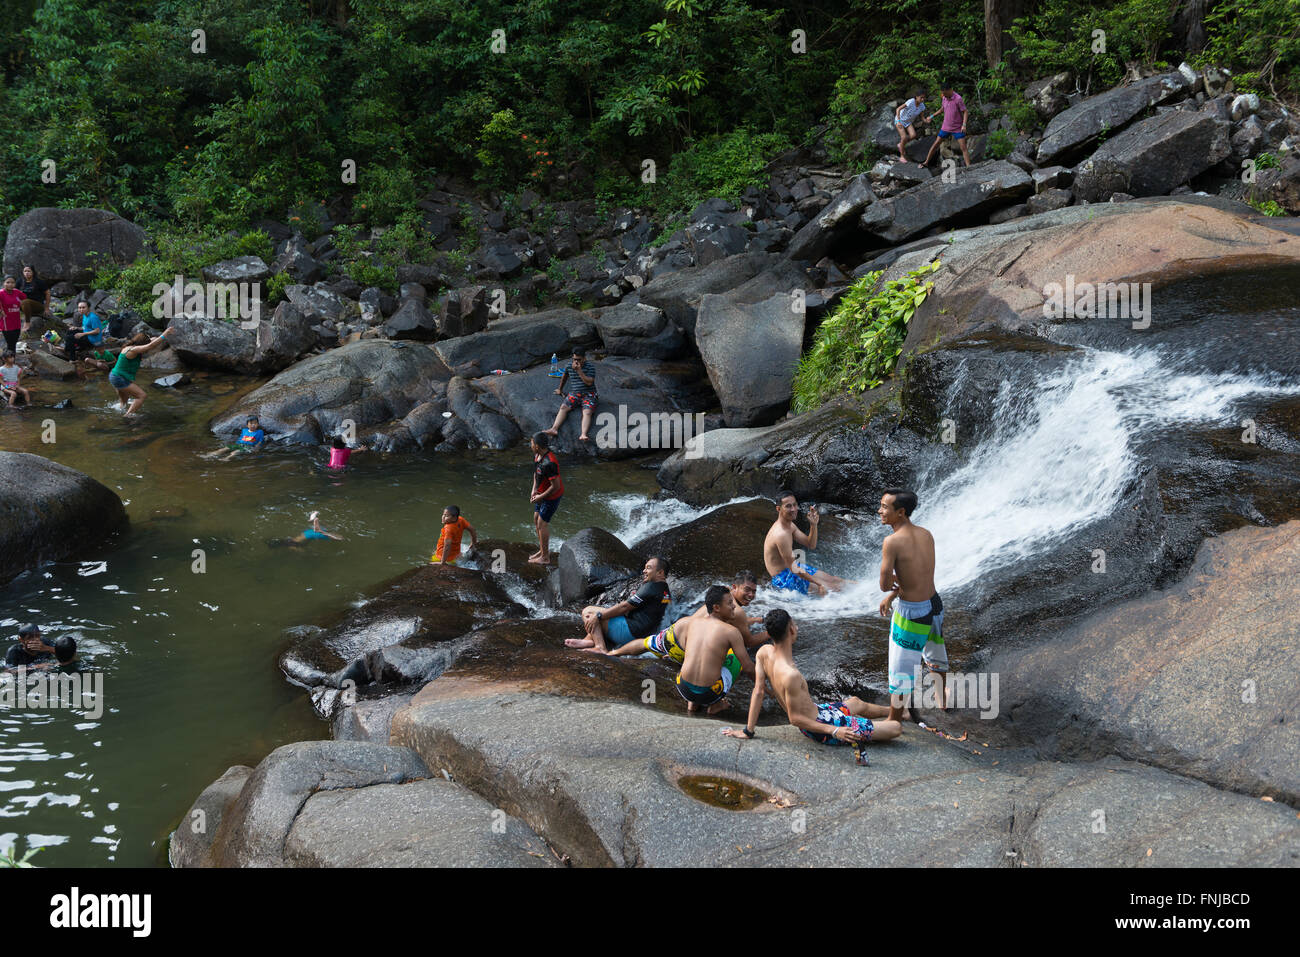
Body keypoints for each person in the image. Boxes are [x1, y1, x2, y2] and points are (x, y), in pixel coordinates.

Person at [723, 609, 901, 760]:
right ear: (792, 629)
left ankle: (899, 711)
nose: (797, 627)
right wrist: (835, 730)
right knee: (896, 728)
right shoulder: (791, 674)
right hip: (820, 727)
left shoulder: (763, 652)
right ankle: (894, 719)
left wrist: (748, 731)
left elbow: (758, 692)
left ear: (769, 634)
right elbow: (795, 719)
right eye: (794, 624)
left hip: (819, 711)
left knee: (856, 702)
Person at [877, 487, 948, 722]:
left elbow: (884, 584)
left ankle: (894, 721)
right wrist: (893, 595)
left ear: (901, 512)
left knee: (900, 670)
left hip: (912, 614)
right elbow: (918, 576)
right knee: (935, 652)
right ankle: (942, 700)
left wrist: (890, 591)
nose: (880, 511)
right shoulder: (926, 534)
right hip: (934, 605)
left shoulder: (892, 541)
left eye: (885, 507)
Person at [605, 570, 767, 660]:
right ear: (735, 587)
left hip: (675, 633)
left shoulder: (721, 593)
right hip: (689, 650)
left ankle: (612, 653)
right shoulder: (736, 612)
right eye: (747, 590)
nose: (751, 595)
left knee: (645, 644)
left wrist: (754, 620)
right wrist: (772, 631)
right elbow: (750, 642)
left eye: (754, 591)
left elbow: (734, 620)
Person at [674, 584, 753, 715]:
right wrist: (766, 687)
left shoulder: (693, 622)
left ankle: (692, 705)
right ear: (716, 607)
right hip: (708, 694)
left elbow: (687, 649)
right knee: (736, 657)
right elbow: (748, 668)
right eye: (730, 603)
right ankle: (716, 705)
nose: (734, 606)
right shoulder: (731, 632)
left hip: (683, 688)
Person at [567, 556, 671, 652]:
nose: (644, 571)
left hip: (631, 632)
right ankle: (589, 640)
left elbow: (624, 607)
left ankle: (600, 647)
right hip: (643, 636)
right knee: (605, 612)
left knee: (589, 611)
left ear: (660, 573)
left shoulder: (651, 586)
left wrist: (598, 616)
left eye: (648, 568)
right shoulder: (665, 591)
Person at [762, 490, 853, 595]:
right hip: (784, 578)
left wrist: (813, 525)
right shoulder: (781, 534)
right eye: (788, 506)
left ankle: (868, 589)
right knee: (831, 589)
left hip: (794, 567)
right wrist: (818, 584)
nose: (793, 509)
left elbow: (811, 544)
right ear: (778, 509)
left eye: (794, 505)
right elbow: (792, 567)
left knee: (835, 581)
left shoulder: (789, 525)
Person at [107, 327, 173, 416]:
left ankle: (119, 412)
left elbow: (152, 342)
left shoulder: (129, 347)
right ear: (142, 343)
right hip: (119, 378)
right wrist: (165, 333)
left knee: (124, 402)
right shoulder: (134, 350)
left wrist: (155, 338)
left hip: (115, 376)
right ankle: (128, 416)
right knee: (141, 396)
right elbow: (151, 345)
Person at [543, 348, 597, 443]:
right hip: (575, 393)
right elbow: (564, 377)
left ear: (584, 358)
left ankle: (583, 434)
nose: (576, 362)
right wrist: (560, 389)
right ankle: (554, 429)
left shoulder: (590, 367)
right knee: (564, 407)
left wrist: (579, 371)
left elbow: (589, 382)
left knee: (587, 412)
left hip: (589, 394)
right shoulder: (569, 366)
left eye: (579, 359)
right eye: (574, 359)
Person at [528, 431, 563, 564]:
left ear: (537, 446)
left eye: (531, 443)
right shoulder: (537, 456)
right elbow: (536, 475)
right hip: (541, 493)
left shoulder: (550, 462)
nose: (530, 445)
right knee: (536, 519)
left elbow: (556, 486)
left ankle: (545, 557)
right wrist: (534, 490)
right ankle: (543, 550)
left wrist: (540, 497)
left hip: (551, 496)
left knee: (542, 524)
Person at [923, 81, 971, 168]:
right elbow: (942, 109)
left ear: (950, 90)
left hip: (957, 127)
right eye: (942, 93)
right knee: (936, 144)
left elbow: (965, 112)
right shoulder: (944, 97)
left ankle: (969, 167)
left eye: (945, 93)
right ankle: (926, 162)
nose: (944, 95)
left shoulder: (958, 99)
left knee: (963, 147)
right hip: (946, 127)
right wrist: (932, 116)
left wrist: (964, 124)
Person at [893, 87, 929, 161]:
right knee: (904, 137)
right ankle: (902, 156)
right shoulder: (911, 101)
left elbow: (922, 118)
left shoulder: (922, 106)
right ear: (916, 97)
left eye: (924, 98)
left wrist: (926, 120)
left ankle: (901, 144)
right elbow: (898, 109)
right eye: (921, 98)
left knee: (913, 135)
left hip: (908, 122)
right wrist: (899, 120)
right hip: (899, 120)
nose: (923, 100)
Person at [66, 299, 105, 364]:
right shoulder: (85, 315)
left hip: (93, 339)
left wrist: (82, 334)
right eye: (79, 308)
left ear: (88, 308)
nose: (81, 309)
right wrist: (76, 328)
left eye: (83, 307)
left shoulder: (93, 317)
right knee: (70, 331)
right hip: (87, 335)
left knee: (71, 338)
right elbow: (85, 327)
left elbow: (97, 331)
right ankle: (68, 350)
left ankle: (72, 359)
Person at [0, 275, 26, 353]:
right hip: (6, 323)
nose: (10, 284)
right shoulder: (1, 293)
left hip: (17, 322)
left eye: (12, 282)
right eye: (8, 282)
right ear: (3, 283)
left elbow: (25, 298)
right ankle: (8, 363)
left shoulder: (17, 292)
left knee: (13, 344)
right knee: (10, 344)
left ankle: (11, 362)